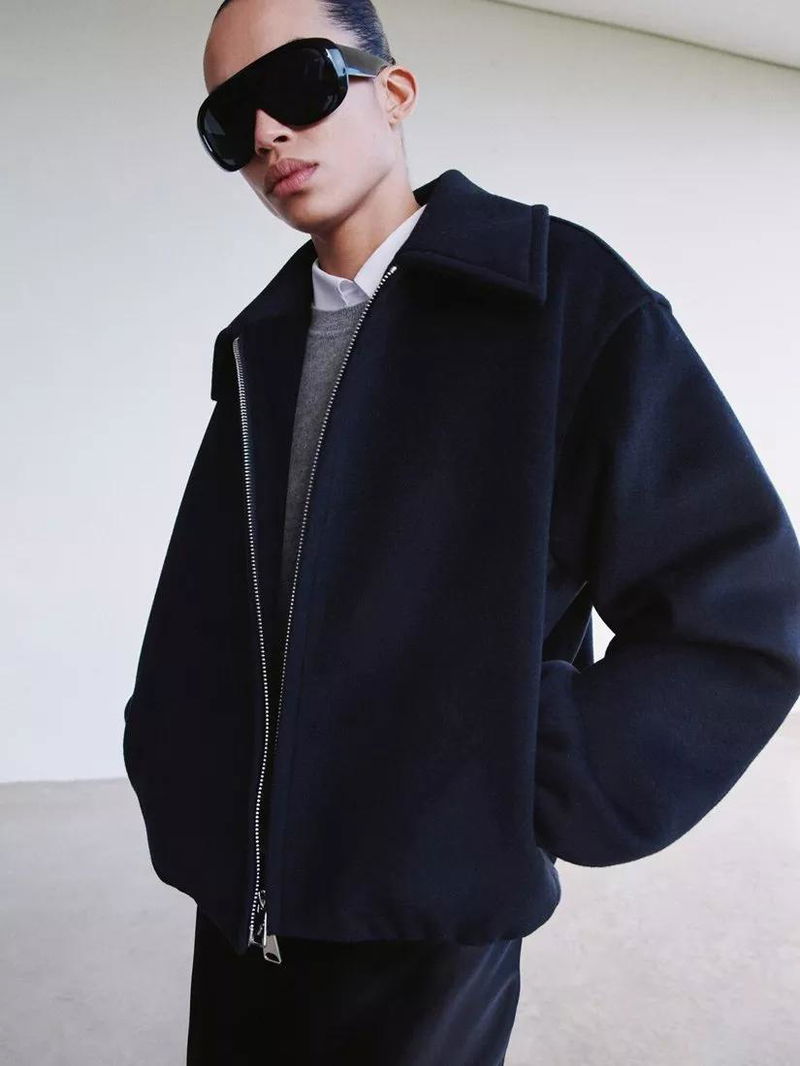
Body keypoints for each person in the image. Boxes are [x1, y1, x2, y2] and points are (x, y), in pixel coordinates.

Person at [121, 0, 800, 1062]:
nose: (265, 133)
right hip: (243, 898)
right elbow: (214, 606)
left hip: (426, 907)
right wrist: (172, 750)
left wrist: (523, 772)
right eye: (227, 119)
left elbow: (742, 608)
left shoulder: (557, 298)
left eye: (299, 84)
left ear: (392, 92)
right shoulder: (260, 345)